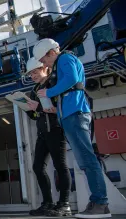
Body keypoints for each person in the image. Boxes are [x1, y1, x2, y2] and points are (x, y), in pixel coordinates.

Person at [34, 38, 111, 218]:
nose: (44, 64)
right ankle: (98, 201)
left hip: (75, 114)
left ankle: (100, 203)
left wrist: (49, 92)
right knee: (85, 161)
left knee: (87, 160)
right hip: (70, 115)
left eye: (44, 60)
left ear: (51, 53)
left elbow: (72, 79)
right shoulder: (63, 61)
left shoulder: (64, 59)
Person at [23, 57, 72, 217]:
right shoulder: (34, 89)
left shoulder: (54, 83)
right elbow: (35, 115)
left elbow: (58, 107)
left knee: (60, 166)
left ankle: (64, 204)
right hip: (43, 132)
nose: (32, 76)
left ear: (45, 68)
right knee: (37, 167)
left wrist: (39, 108)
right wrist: (28, 108)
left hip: (56, 130)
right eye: (30, 74)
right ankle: (48, 203)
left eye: (35, 72)